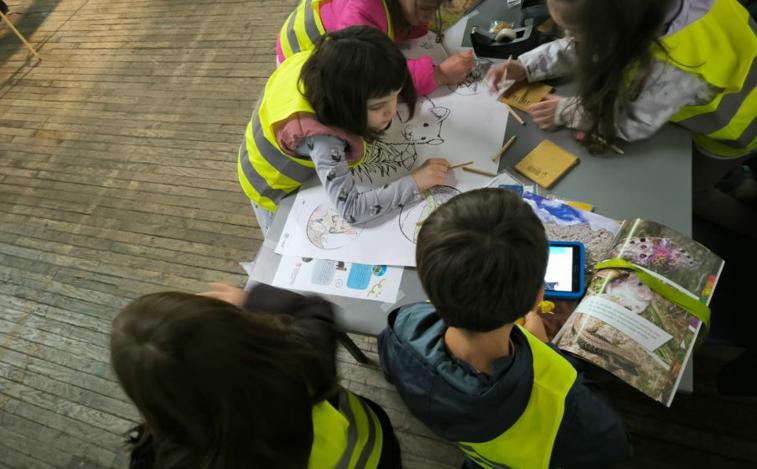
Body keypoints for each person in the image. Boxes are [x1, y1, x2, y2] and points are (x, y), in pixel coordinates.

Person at [377, 188, 631, 469]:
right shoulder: (565, 399)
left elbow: (392, 369)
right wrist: (547, 352)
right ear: (538, 297)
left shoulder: (404, 324)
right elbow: (613, 449)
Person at [486, 0, 757, 238]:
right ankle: (738, 181)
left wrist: (565, 111)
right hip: (734, 84)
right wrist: (526, 66)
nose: (569, 37)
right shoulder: (636, 10)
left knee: (695, 192)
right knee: (720, 172)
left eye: (574, 31)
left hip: (734, 130)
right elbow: (585, 44)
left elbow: (632, 122)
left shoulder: (671, 69)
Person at [111, 282, 402, 468]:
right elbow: (315, 310)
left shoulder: (165, 454)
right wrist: (251, 302)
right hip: (374, 448)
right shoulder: (296, 358)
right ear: (245, 332)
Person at [238, 26, 450, 233]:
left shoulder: (324, 65)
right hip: (269, 186)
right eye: (377, 106)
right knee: (280, 238)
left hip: (264, 140)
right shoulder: (323, 139)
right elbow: (351, 210)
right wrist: (416, 182)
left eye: (395, 96)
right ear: (343, 105)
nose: (392, 111)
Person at [276, 0, 475, 95]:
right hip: (300, 63)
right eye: (424, 9)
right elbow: (372, 76)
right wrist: (439, 74)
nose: (430, 17)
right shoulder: (359, 11)